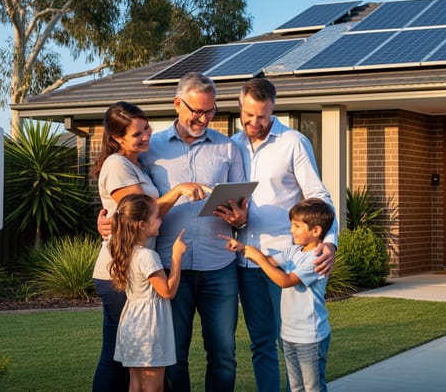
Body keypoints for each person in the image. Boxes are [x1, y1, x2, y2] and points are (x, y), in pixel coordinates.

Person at [97, 72, 248, 391]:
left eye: (211, 111)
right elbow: (127, 207)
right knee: (171, 355)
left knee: (223, 354)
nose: (204, 118)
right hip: (165, 267)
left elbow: (242, 203)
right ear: (178, 104)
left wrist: (240, 216)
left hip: (218, 266)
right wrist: (105, 223)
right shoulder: (150, 149)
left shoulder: (228, 148)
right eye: (197, 111)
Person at [91, 101, 208, 392]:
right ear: (117, 138)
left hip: (135, 267)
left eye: (146, 129)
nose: (146, 137)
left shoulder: (135, 162)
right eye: (137, 134)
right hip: (120, 271)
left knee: (131, 359)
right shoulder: (117, 165)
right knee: (115, 356)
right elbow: (141, 211)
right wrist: (180, 190)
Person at [231, 77, 337, 392]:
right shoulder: (232, 145)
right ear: (240, 107)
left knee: (290, 340)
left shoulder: (293, 142)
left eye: (261, 116)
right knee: (261, 343)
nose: (254, 122)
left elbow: (319, 196)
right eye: (248, 115)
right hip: (248, 262)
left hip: (285, 263)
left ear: (273, 109)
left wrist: (329, 244)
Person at [220, 198, 335, 392]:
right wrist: (242, 248)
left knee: (313, 387)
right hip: (290, 334)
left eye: (297, 226)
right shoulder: (294, 251)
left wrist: (259, 259)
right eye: (292, 225)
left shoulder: (316, 258)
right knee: (297, 387)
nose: (291, 231)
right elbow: (269, 260)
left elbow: (285, 280)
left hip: (310, 336)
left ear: (316, 231)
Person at [108, 193, 187, 392]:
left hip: (132, 324)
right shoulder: (147, 256)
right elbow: (167, 291)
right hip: (149, 327)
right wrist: (176, 257)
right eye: (156, 217)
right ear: (142, 225)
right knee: (154, 386)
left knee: (135, 384)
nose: (161, 221)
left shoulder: (125, 251)